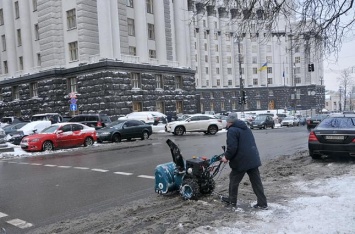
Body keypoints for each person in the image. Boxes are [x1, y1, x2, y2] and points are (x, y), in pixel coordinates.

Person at [221, 112, 268, 210]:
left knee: (233, 180)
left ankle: (232, 202)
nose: (227, 123)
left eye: (227, 121)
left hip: (241, 161)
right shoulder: (246, 128)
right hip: (252, 158)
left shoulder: (232, 130)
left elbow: (232, 147)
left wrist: (226, 157)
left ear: (230, 122)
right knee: (256, 182)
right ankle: (262, 203)